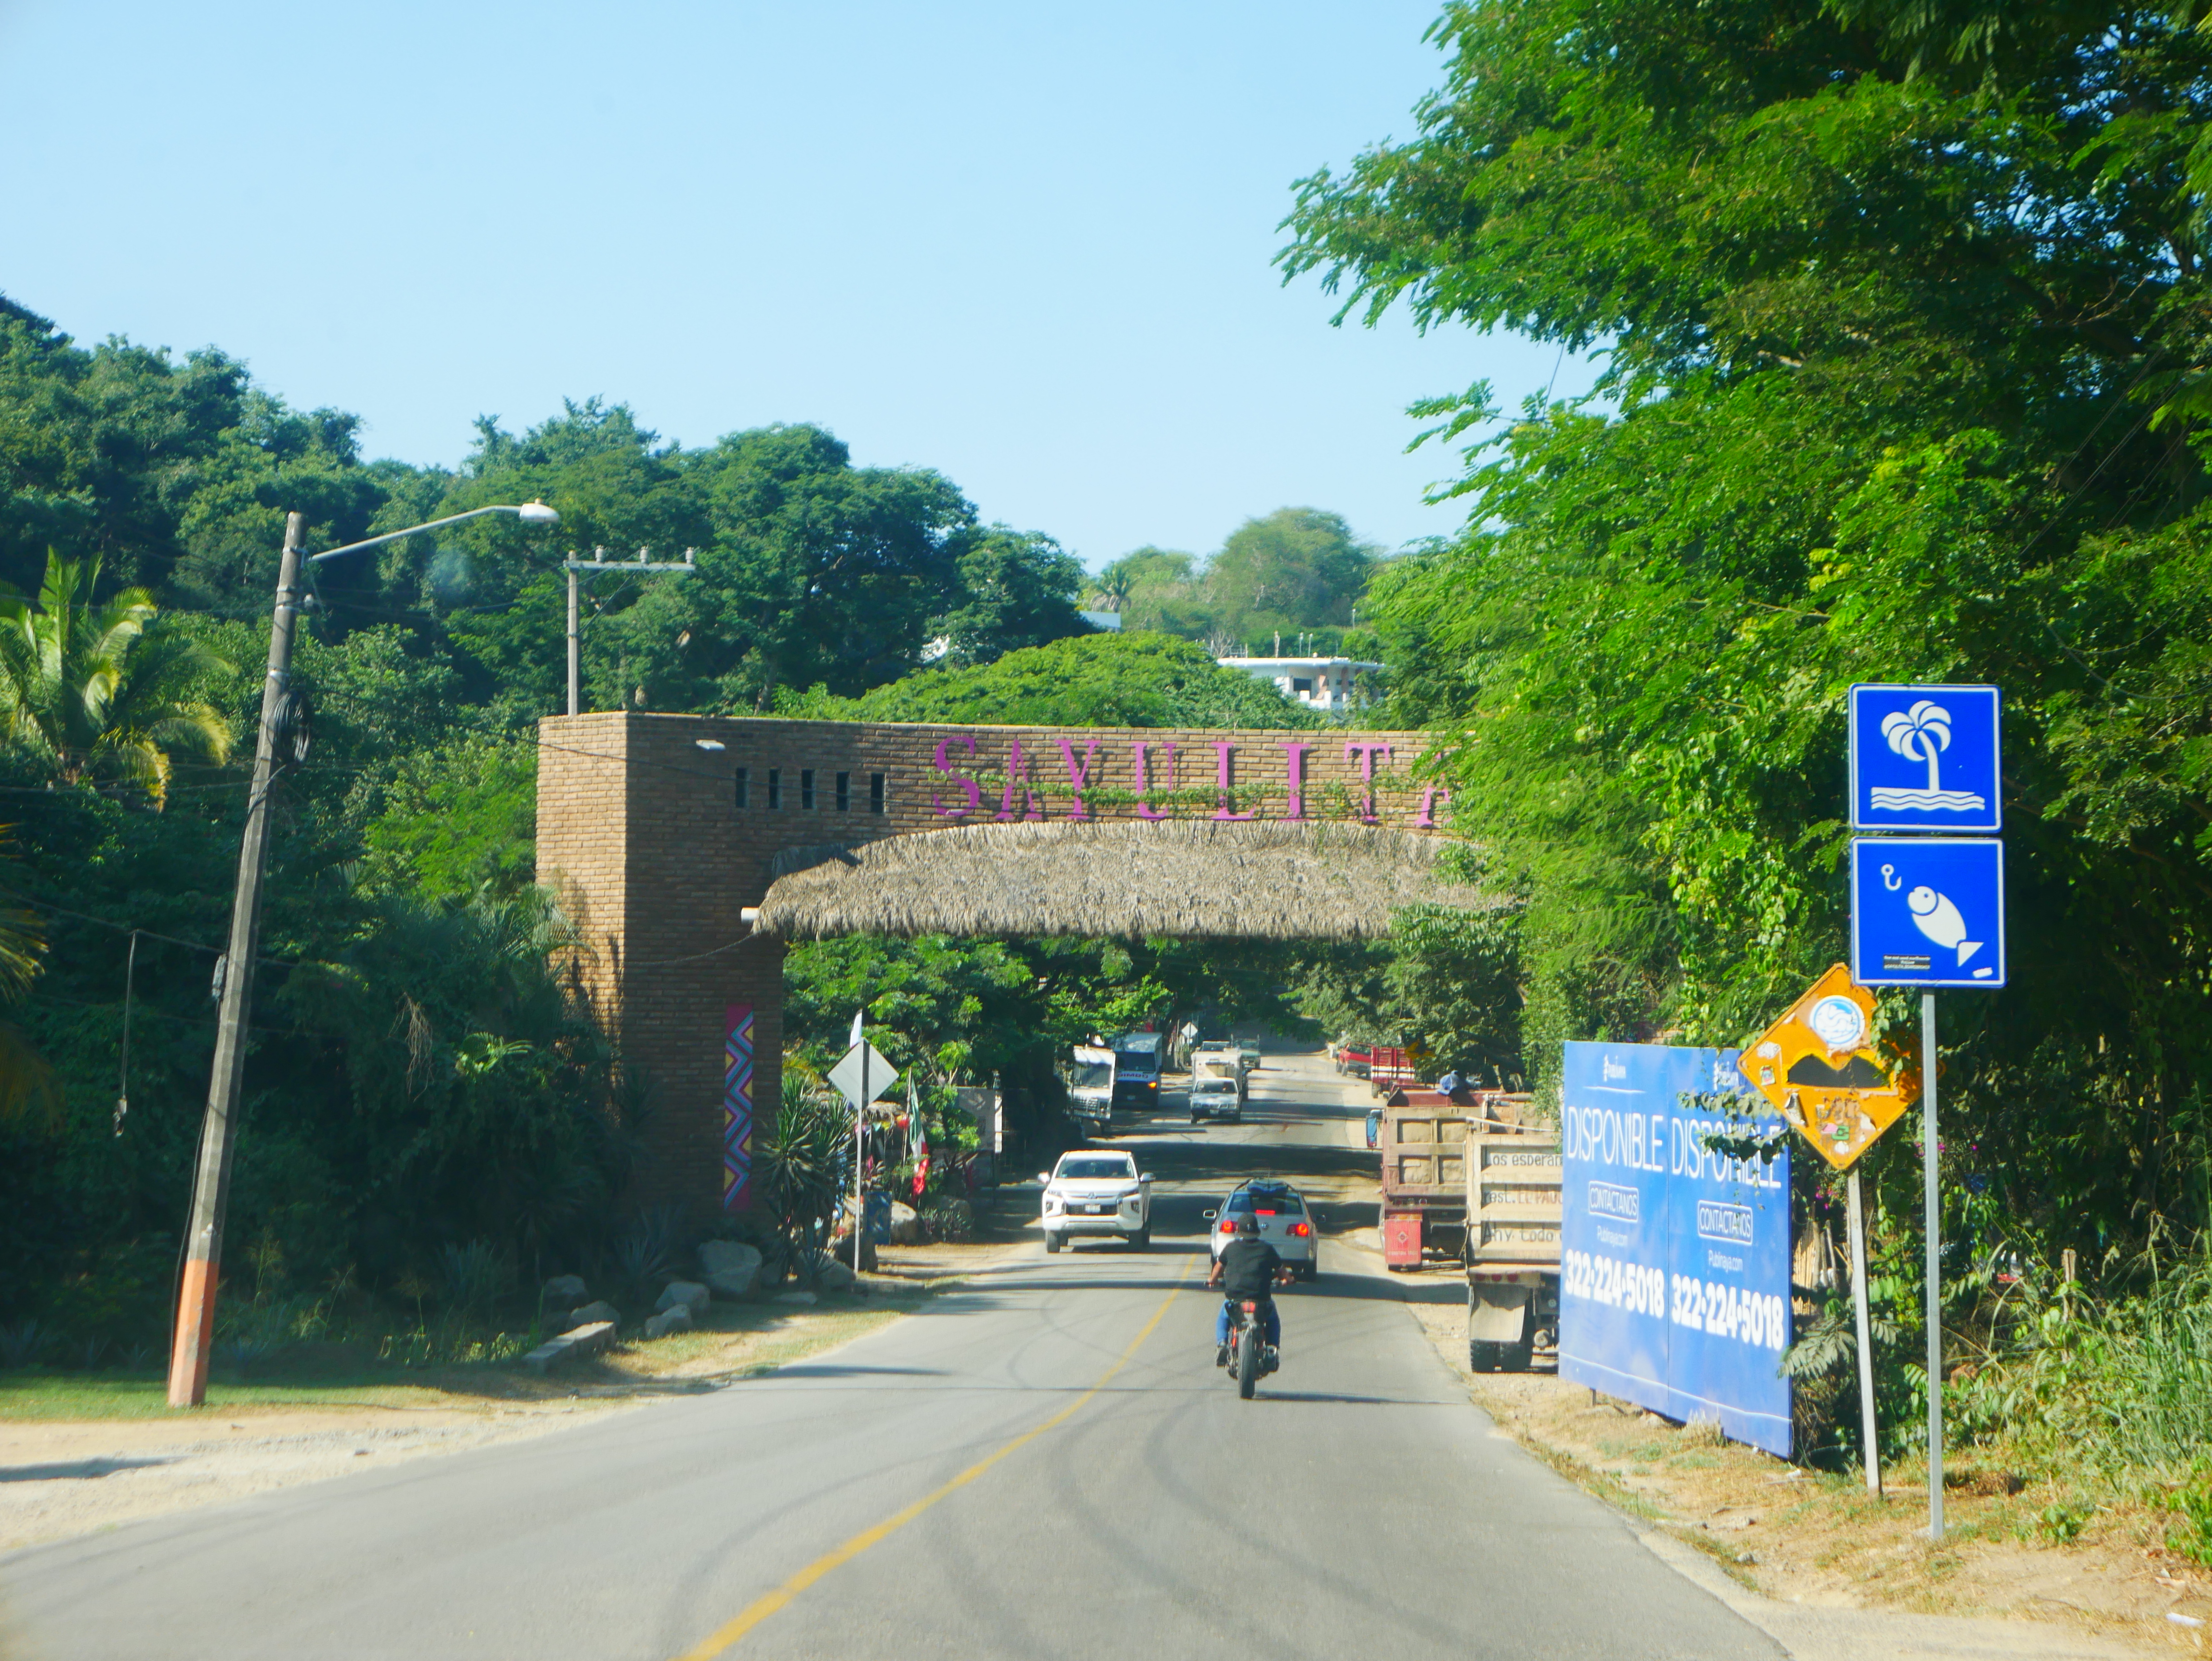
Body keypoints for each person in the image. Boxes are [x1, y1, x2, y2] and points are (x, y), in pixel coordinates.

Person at [1208, 1214, 1291, 1366]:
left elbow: (1219, 1266)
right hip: (1261, 1299)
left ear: (1239, 1231)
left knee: (1224, 1316)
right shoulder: (1267, 1249)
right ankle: (1272, 1349)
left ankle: (1222, 1345)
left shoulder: (1231, 1247)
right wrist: (1288, 1280)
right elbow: (1282, 1271)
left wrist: (1212, 1280)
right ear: (1257, 1230)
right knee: (1273, 1318)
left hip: (1234, 1298)